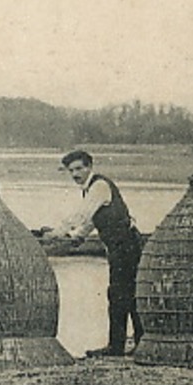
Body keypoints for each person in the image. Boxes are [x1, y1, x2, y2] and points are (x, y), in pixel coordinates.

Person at [47, 149, 144, 357]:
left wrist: (58, 232)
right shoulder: (91, 189)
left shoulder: (99, 186)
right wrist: (79, 237)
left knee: (119, 294)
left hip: (125, 245)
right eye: (71, 170)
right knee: (129, 293)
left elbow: (83, 214)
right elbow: (93, 220)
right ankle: (139, 341)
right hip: (120, 246)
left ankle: (116, 347)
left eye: (79, 168)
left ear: (89, 167)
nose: (75, 174)